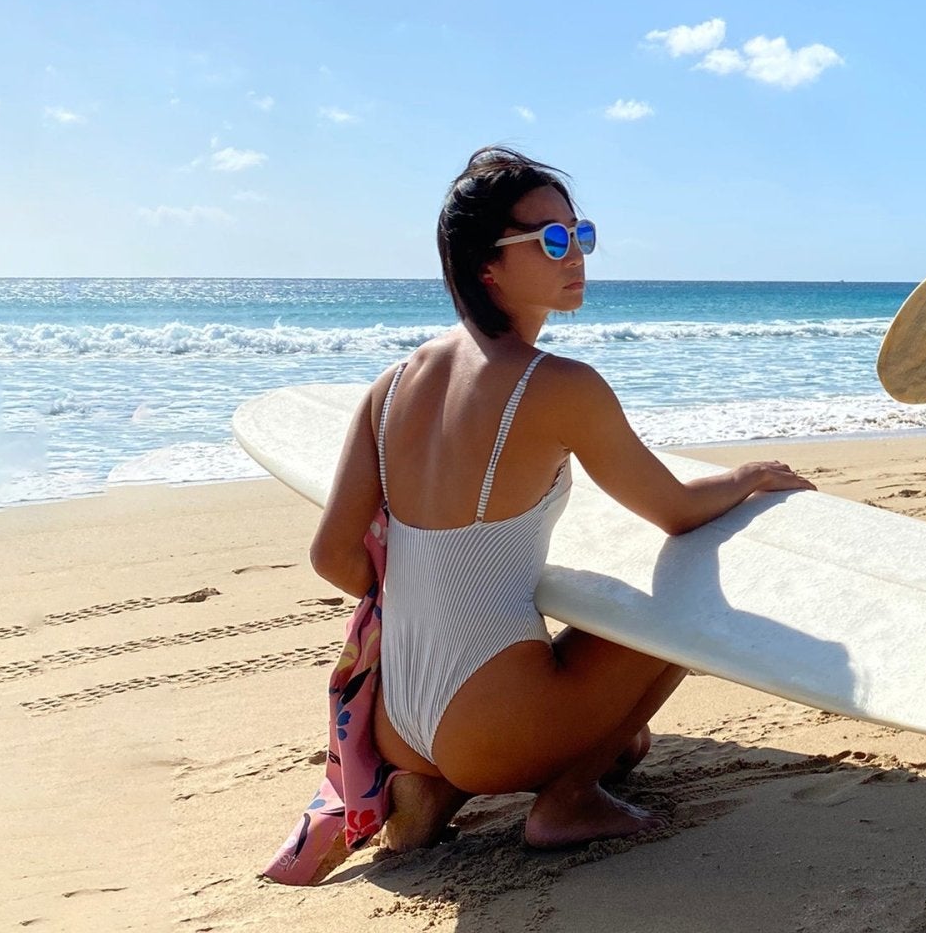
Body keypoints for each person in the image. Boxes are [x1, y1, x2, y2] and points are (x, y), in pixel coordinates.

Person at [304, 146, 813, 853]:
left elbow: (331, 556)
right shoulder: (557, 385)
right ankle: (567, 799)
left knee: (617, 728)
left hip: (397, 719)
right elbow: (676, 511)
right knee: (682, 600)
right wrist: (747, 476)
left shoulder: (389, 386)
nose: (575, 254)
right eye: (550, 238)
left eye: (581, 234)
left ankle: (431, 788)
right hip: (492, 726)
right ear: (487, 265)